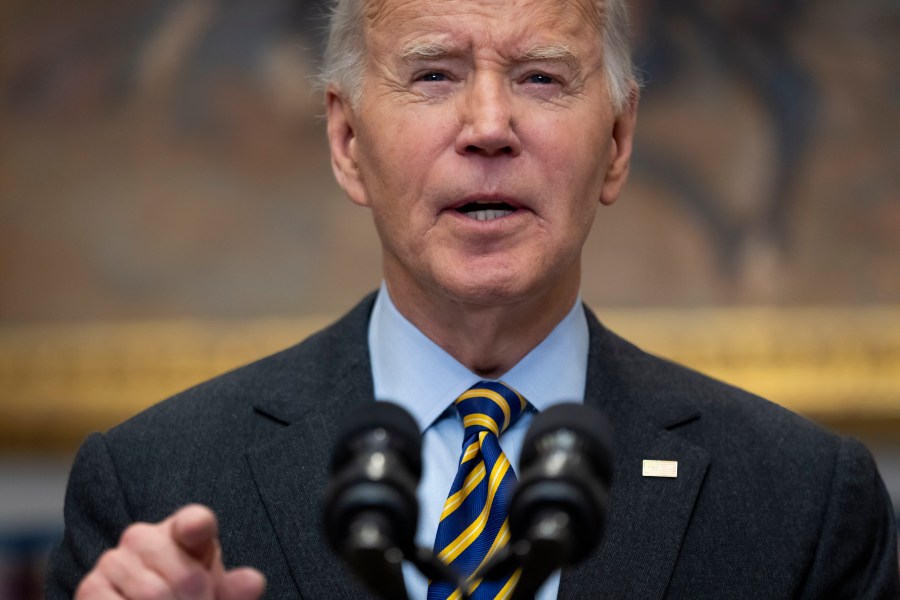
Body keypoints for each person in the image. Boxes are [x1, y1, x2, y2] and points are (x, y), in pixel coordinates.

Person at [46, 0, 899, 598]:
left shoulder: (803, 503)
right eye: (433, 74)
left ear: (618, 142)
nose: (488, 125)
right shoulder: (153, 491)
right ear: (346, 142)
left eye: (540, 77)